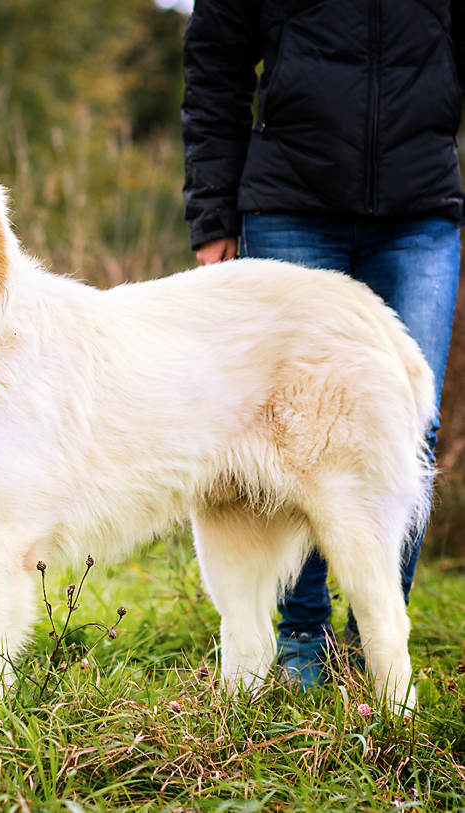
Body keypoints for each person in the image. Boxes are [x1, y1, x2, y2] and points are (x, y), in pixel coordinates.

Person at [181, 0, 465, 688]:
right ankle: (302, 637)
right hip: (289, 206)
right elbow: (214, 66)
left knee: (408, 428)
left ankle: (375, 637)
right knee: (286, 435)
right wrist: (212, 211)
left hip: (420, 212)